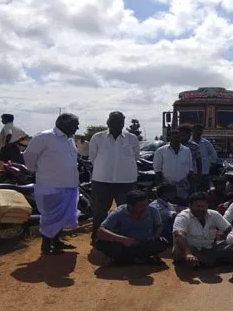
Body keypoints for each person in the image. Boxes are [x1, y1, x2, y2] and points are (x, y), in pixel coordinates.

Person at [22, 113, 81, 255]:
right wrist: (35, 170)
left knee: (62, 217)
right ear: (63, 123)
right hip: (50, 184)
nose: (77, 127)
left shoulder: (69, 139)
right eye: (75, 124)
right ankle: (46, 246)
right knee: (50, 217)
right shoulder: (44, 137)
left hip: (69, 184)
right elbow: (29, 156)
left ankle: (57, 242)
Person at [89, 111, 140, 241]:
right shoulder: (97, 137)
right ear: (108, 122)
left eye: (121, 121)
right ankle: (97, 237)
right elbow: (93, 158)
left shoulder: (132, 138)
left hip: (126, 182)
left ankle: (126, 237)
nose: (118, 124)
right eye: (114, 121)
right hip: (102, 181)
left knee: (127, 211)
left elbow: (136, 157)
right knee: (99, 211)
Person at [95, 190, 169, 265]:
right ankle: (138, 259)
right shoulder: (119, 213)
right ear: (130, 206)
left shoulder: (153, 211)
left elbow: (159, 225)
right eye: (140, 207)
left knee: (163, 242)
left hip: (144, 244)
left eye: (146, 205)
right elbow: (100, 232)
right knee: (101, 244)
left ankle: (128, 260)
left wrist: (155, 235)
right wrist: (124, 240)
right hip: (124, 246)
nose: (145, 208)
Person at [172, 192, 233, 268]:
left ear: (207, 206)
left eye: (203, 206)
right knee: (180, 248)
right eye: (198, 206)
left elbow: (230, 230)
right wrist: (188, 253)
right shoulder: (182, 216)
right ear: (190, 206)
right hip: (190, 249)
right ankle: (202, 261)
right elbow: (179, 235)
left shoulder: (214, 214)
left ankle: (206, 261)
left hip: (209, 248)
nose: (201, 209)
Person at [153, 128, 195, 204]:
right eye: (174, 137)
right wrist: (160, 188)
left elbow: (190, 170)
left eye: (178, 137)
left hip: (183, 187)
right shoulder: (160, 151)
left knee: (182, 207)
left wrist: (192, 187)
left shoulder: (187, 150)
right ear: (169, 138)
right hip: (167, 186)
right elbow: (158, 171)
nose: (176, 139)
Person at [192, 124, 218, 192]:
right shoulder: (188, 143)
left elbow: (214, 156)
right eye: (197, 130)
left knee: (204, 193)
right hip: (191, 174)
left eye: (200, 130)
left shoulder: (206, 143)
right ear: (193, 131)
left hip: (204, 174)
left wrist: (206, 162)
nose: (198, 132)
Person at [178, 125, 202, 190]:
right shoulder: (174, 146)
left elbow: (198, 161)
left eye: (187, 135)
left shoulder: (195, 146)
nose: (184, 137)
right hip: (176, 174)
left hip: (190, 175)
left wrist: (199, 176)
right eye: (182, 135)